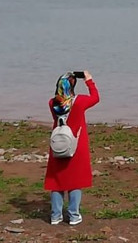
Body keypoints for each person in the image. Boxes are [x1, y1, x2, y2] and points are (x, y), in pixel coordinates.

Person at [44, 70, 100, 226]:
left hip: (58, 144)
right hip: (76, 145)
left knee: (56, 181)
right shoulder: (80, 102)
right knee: (75, 181)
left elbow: (61, 102)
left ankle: (56, 215)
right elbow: (96, 98)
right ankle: (74, 215)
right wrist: (89, 80)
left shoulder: (52, 103)